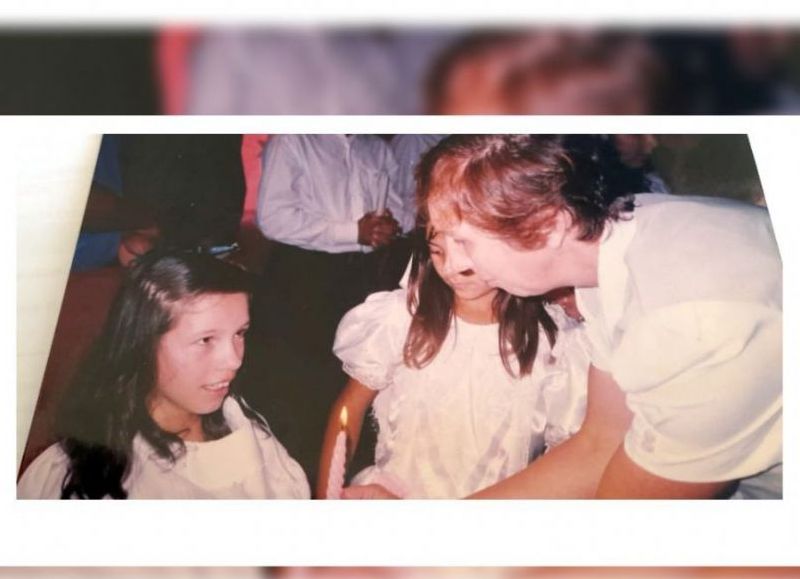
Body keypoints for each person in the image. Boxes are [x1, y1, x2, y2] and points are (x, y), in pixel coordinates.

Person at [348, 134, 782, 500]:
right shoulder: (615, 250)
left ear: (549, 226)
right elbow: (599, 443)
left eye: (464, 241)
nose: (455, 265)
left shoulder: (696, 321)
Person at [318, 215, 588, 499]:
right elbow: (350, 407)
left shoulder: (555, 339)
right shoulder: (403, 319)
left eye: (464, 249)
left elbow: (566, 454)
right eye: (437, 251)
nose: (449, 267)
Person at [18, 251, 310, 499]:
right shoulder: (91, 473)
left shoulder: (242, 420)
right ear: (143, 343)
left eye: (240, 333)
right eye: (206, 340)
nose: (234, 360)